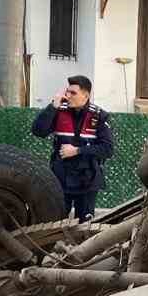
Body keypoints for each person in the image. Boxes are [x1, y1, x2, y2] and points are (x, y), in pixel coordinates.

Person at [32, 74, 113, 221]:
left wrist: (77, 151)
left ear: (86, 95)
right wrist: (52, 107)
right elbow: (38, 131)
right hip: (61, 177)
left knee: (85, 225)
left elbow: (107, 149)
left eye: (73, 93)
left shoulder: (99, 116)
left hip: (87, 179)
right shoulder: (58, 110)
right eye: (67, 92)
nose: (68, 96)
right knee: (56, 221)